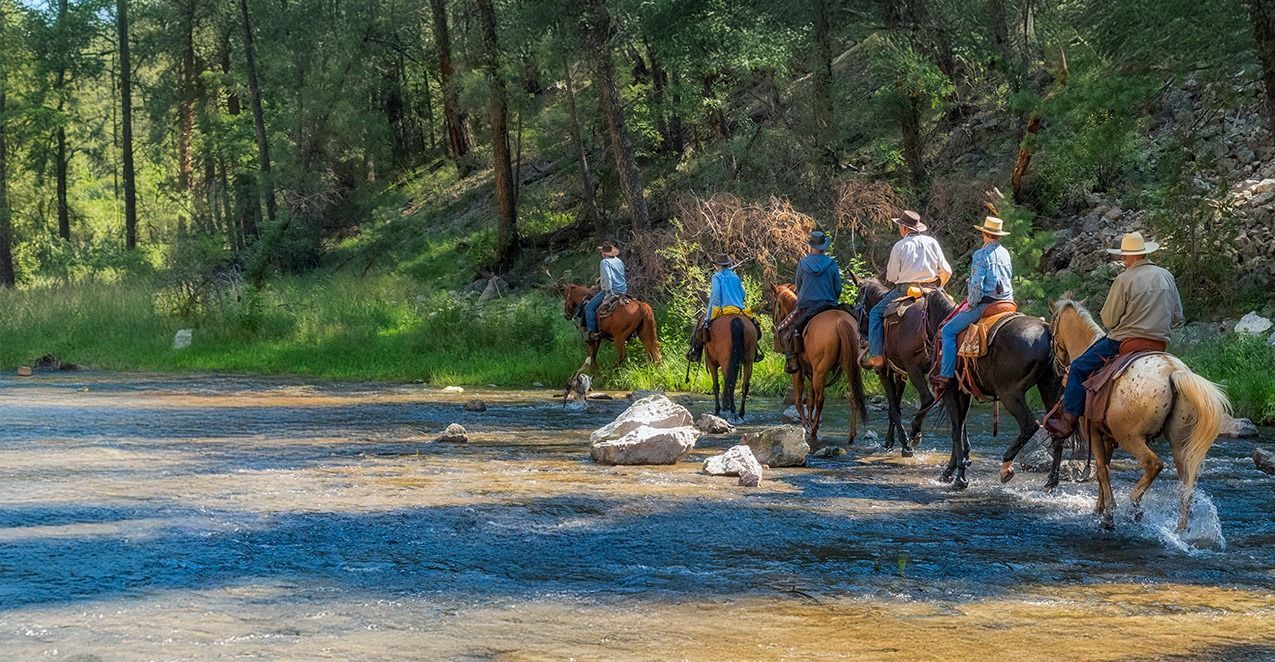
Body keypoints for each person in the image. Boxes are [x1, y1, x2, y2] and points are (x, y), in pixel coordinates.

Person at [1045, 231, 1185, 439]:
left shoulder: (1124, 279)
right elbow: (1177, 317)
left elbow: (1109, 320)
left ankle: (1068, 421)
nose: (1122, 260)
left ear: (1133, 256)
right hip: (1159, 344)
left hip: (1125, 341)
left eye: (1124, 256)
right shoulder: (1166, 276)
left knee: (1077, 367)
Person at [862, 210, 952, 371]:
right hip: (932, 291)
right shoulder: (932, 242)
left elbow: (891, 276)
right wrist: (939, 285)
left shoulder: (900, 246)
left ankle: (877, 356)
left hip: (906, 290)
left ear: (904, 228)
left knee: (875, 313)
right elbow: (946, 270)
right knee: (952, 310)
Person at [931, 216, 1014, 390]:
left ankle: (946, 374)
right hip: (1007, 302)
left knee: (948, 331)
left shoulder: (980, 255)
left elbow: (977, 285)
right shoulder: (1005, 253)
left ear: (984, 233)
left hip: (987, 304)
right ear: (998, 235)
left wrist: (970, 303)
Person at [782, 230, 844, 373]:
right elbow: (838, 288)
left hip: (806, 306)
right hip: (829, 305)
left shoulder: (803, 263)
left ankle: (793, 360)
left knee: (786, 328)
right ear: (824, 247)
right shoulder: (831, 264)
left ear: (811, 246)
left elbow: (799, 284)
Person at [687, 255, 763, 363]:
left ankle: (696, 351)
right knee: (754, 325)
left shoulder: (716, 277)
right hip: (738, 309)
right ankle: (754, 351)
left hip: (722, 310)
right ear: (728, 264)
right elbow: (742, 294)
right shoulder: (735, 277)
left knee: (700, 327)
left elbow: (716, 296)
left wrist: (709, 315)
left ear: (718, 265)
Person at [584, 240, 627, 342]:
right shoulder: (619, 261)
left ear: (604, 253)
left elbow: (608, 278)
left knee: (588, 307)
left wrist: (608, 292)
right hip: (623, 290)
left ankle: (593, 333)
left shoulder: (604, 262)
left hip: (611, 290)